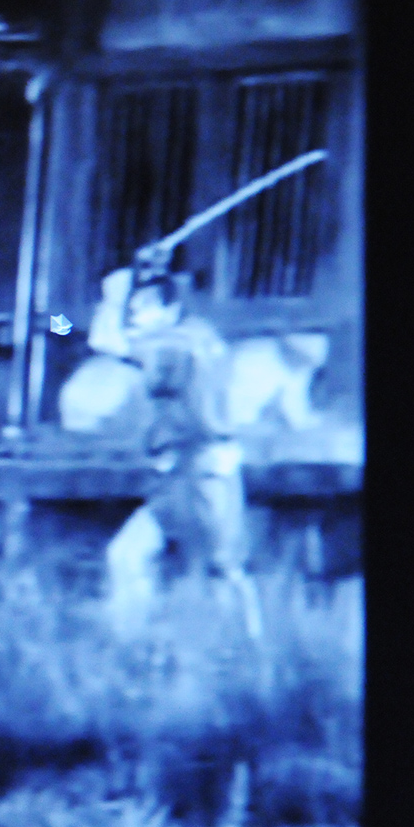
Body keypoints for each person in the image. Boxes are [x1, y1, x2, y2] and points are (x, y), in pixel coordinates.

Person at [102, 273, 262, 642]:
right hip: (184, 473)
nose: (134, 316)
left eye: (143, 308)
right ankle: (132, 644)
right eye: (131, 309)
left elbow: (102, 341)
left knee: (224, 570)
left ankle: (249, 651)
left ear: (170, 310)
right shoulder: (199, 337)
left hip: (203, 472)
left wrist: (105, 300)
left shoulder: (172, 344)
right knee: (128, 555)